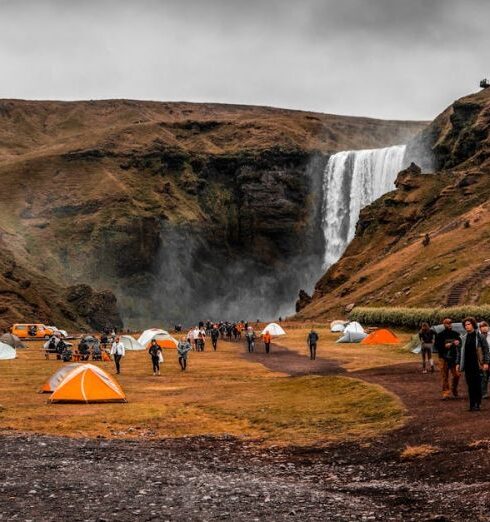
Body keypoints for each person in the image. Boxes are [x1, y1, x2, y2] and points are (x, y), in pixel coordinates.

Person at [456, 317, 490, 411]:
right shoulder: (464, 337)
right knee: (470, 385)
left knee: (477, 385)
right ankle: (472, 405)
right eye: (465, 325)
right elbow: (460, 352)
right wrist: (458, 363)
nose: (467, 326)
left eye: (469, 324)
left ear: (473, 325)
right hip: (467, 365)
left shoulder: (480, 337)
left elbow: (486, 350)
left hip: (477, 365)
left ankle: (477, 404)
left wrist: (486, 362)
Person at [434, 318, 461, 399]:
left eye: (450, 323)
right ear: (444, 324)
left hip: (453, 358)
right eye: (447, 323)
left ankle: (454, 388)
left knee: (456, 375)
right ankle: (446, 392)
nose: (449, 324)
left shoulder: (455, 334)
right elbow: (436, 346)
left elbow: (460, 344)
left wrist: (458, 343)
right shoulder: (440, 335)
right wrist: (444, 346)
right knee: (444, 376)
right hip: (443, 358)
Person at [480, 322, 490, 398]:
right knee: (484, 376)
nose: (484, 328)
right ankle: (484, 393)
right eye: (482, 326)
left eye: (485, 326)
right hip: (483, 358)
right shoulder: (479, 337)